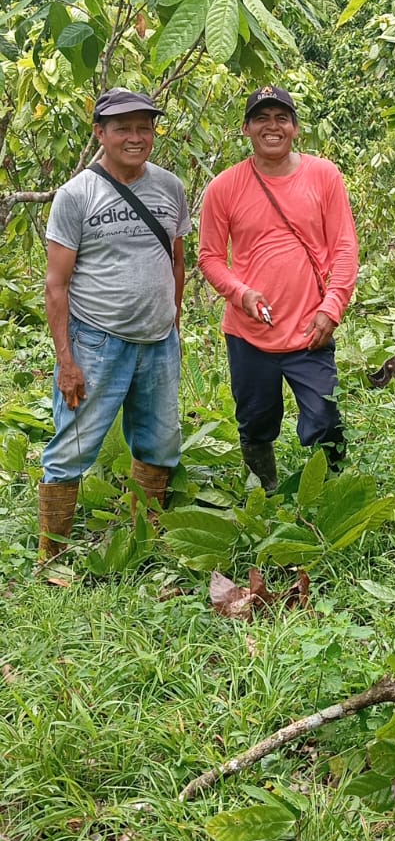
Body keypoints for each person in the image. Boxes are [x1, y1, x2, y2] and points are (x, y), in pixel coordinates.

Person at [39, 88, 190, 560]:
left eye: (144, 127)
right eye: (123, 128)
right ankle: (52, 554)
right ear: (100, 133)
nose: (135, 137)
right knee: (73, 446)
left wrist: (173, 321)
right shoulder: (76, 195)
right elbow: (56, 285)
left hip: (158, 342)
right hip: (96, 342)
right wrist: (67, 361)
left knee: (160, 442)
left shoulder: (170, 188)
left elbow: (177, 261)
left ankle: (145, 540)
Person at [198, 83, 358, 492]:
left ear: (295, 128)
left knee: (325, 418)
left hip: (311, 329)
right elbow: (210, 257)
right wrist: (241, 294)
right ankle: (265, 494)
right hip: (248, 333)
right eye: (261, 119)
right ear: (246, 129)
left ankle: (331, 496)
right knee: (255, 421)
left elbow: (344, 247)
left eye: (281, 118)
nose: (272, 126)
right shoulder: (224, 187)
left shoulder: (324, 176)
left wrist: (332, 308)